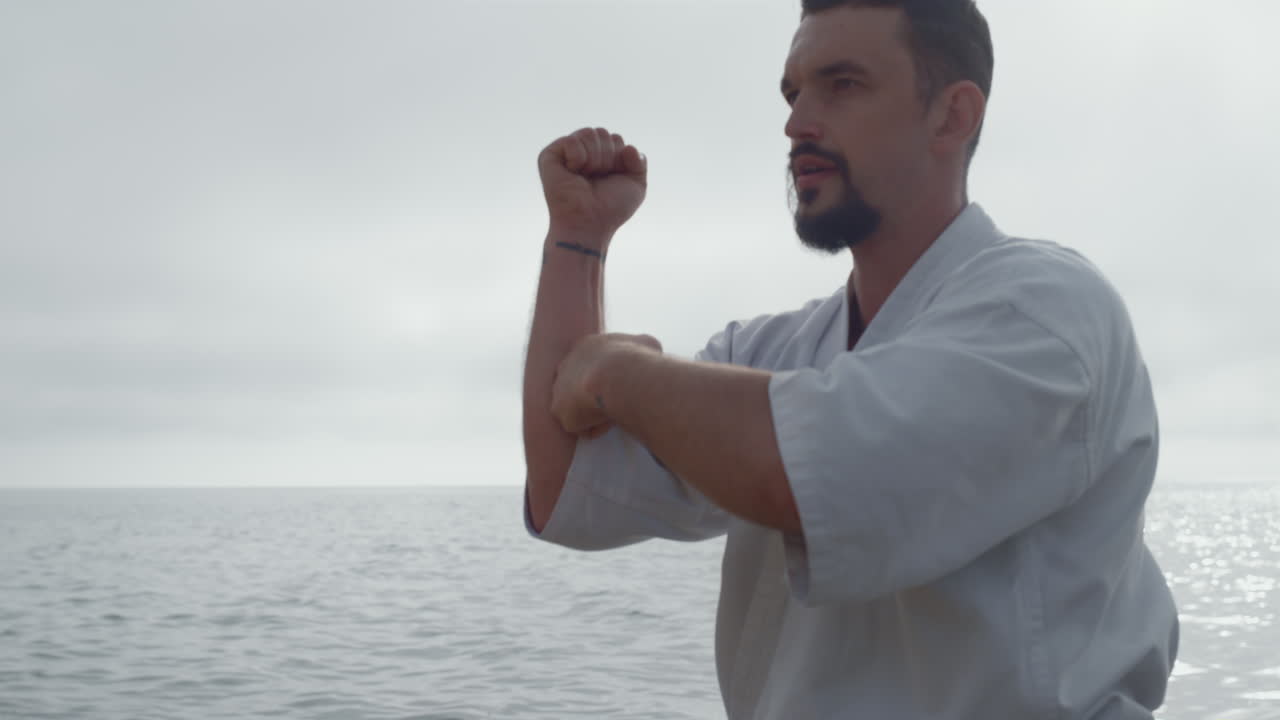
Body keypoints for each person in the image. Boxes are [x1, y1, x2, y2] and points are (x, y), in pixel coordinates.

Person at [520, 1, 1179, 717]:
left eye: (842, 85)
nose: (797, 121)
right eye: (793, 91)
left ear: (952, 116)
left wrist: (617, 373)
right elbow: (570, 492)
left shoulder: (1046, 310)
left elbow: (811, 475)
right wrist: (578, 241)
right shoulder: (770, 353)